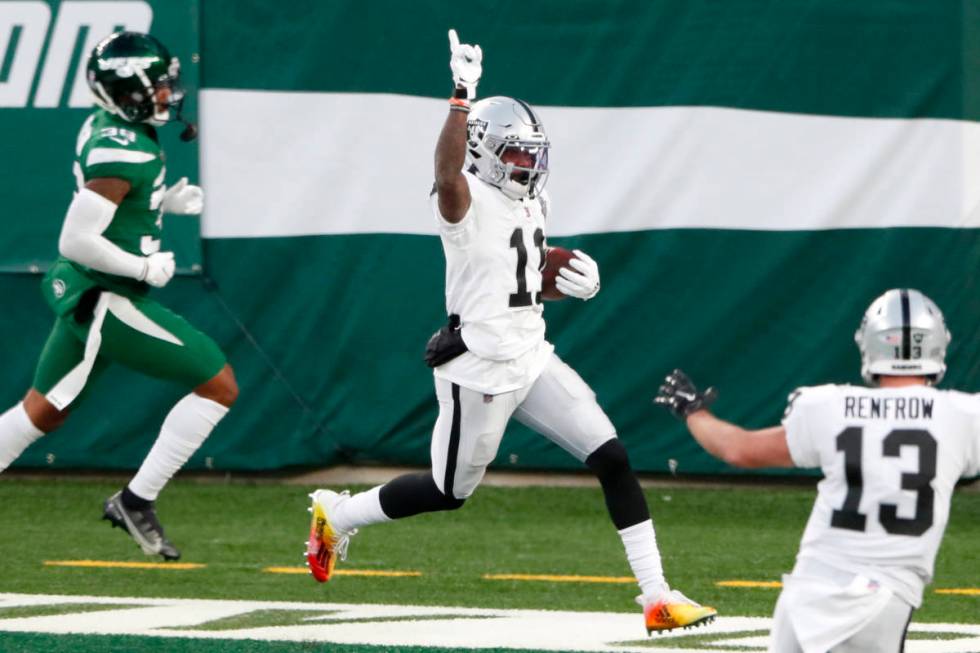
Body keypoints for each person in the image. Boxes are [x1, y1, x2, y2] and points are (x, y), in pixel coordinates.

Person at [304, 29, 716, 634]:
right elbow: (448, 177)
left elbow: (519, 281)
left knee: (614, 458)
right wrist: (459, 98)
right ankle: (338, 516)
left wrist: (572, 282)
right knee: (449, 490)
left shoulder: (531, 202)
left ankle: (657, 596)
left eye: (533, 152)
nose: (530, 163)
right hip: (480, 370)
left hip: (530, 355)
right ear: (485, 149)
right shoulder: (463, 200)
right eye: (518, 152)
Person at [0, 32, 238, 561]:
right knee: (219, 385)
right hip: (105, 296)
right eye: (158, 85)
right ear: (128, 91)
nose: (168, 94)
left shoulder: (118, 130)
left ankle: (134, 502)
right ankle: (137, 499)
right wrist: (145, 266)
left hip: (92, 292)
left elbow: (114, 205)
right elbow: (76, 239)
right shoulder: (120, 149)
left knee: (40, 414)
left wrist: (162, 204)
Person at [655, 288, 979, 652]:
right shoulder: (964, 416)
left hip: (807, 594)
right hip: (882, 598)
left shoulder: (830, 405)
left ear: (869, 343)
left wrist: (693, 410)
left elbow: (739, 450)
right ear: (937, 344)